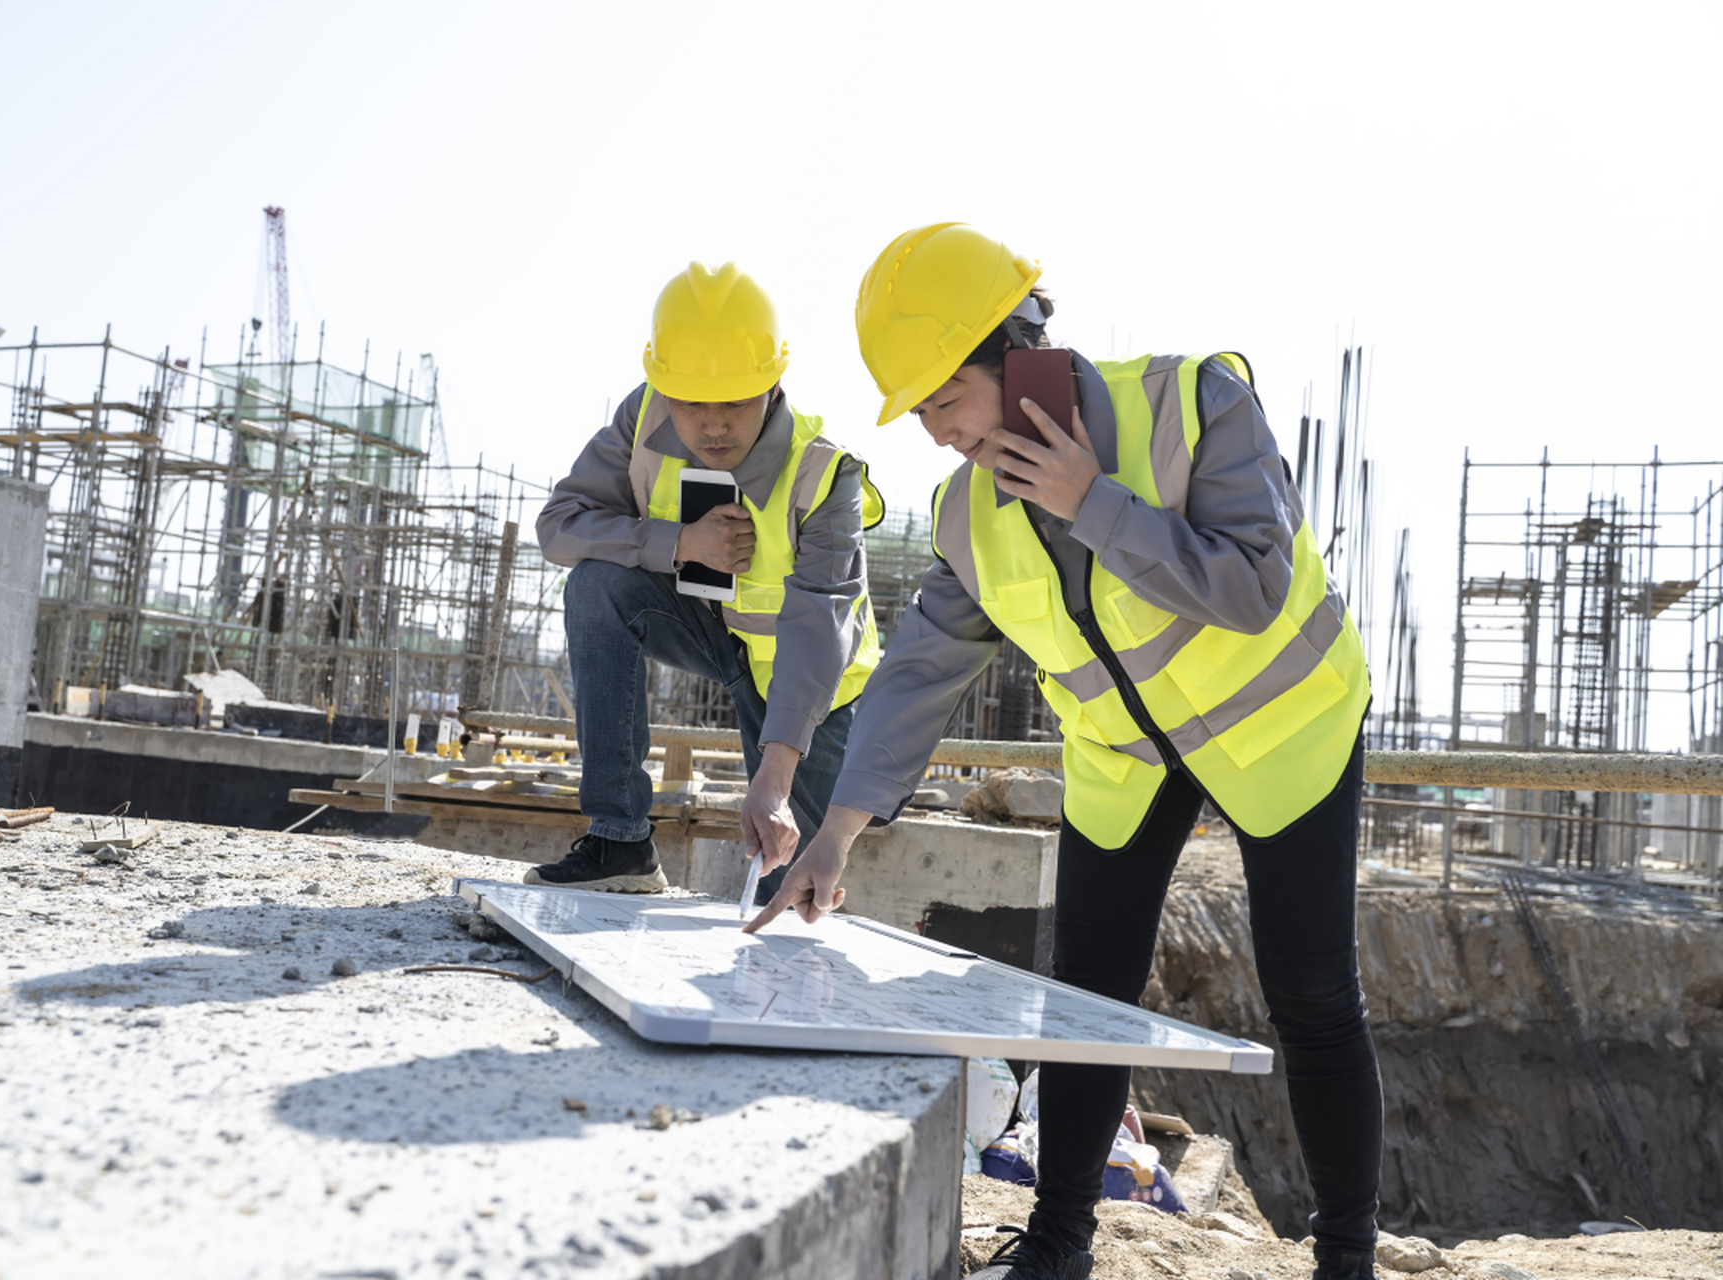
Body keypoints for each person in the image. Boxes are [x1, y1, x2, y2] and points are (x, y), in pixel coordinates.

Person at [746, 225, 1380, 1280]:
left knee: (1311, 992)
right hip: (1125, 757)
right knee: (1086, 997)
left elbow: (1253, 584)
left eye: (946, 401)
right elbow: (915, 671)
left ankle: (1348, 1257)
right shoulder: (966, 514)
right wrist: (836, 833)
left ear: (1015, 350)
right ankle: (1059, 1241)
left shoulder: (1195, 405)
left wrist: (1094, 504)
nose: (940, 436)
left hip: (1284, 726)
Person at [533, 261, 883, 895]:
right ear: (664, 386)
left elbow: (819, 629)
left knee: (794, 888)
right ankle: (619, 843)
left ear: (775, 384)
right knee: (595, 590)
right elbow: (560, 525)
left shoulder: (824, 476)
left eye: (736, 403)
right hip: (708, 628)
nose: (714, 424)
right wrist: (678, 543)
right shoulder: (642, 421)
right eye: (692, 403)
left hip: (808, 682)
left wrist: (774, 778)